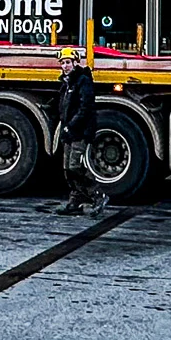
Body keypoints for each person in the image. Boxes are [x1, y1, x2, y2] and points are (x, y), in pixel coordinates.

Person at [56, 45, 104, 215]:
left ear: (75, 62)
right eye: (62, 62)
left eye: (68, 62)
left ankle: (97, 195)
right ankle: (75, 201)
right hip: (69, 132)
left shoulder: (83, 81)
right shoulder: (66, 83)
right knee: (67, 169)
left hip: (80, 132)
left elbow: (86, 108)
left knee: (75, 166)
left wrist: (71, 125)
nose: (65, 66)